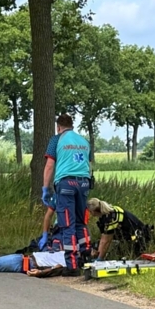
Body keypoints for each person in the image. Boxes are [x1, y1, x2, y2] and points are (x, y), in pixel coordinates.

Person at [43, 114, 91, 272]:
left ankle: (71, 264)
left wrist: (45, 188)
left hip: (66, 184)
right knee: (80, 222)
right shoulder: (84, 141)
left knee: (67, 224)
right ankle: (86, 255)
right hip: (84, 183)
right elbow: (89, 165)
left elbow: (50, 165)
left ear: (58, 127)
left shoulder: (56, 140)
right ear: (72, 125)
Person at [87, 199, 153, 261]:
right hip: (129, 236)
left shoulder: (110, 218)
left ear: (93, 211)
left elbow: (106, 241)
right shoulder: (107, 212)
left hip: (140, 238)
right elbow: (103, 238)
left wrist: (100, 259)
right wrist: (98, 253)